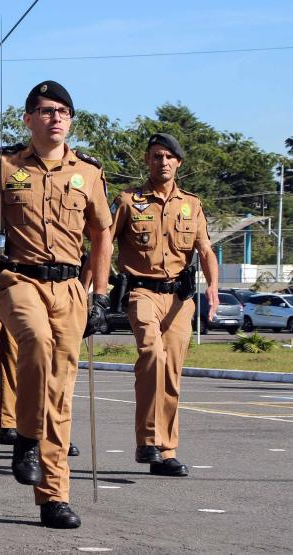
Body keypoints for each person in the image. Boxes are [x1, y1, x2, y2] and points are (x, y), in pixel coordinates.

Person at [0, 81, 112, 528]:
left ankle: (54, 495)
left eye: (64, 111)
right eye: (47, 110)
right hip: (17, 277)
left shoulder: (88, 173)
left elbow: (102, 234)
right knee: (34, 343)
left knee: (60, 391)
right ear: (28, 119)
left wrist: (101, 293)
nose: (57, 118)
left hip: (70, 286)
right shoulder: (6, 165)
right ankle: (26, 436)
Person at [110, 132, 218, 477]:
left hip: (179, 298)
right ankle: (147, 442)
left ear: (179, 163)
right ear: (147, 161)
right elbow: (103, 242)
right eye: (156, 156)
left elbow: (205, 250)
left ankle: (166, 451)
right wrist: (90, 289)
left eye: (169, 157)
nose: (163, 162)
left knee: (171, 372)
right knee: (153, 357)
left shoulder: (192, 204)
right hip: (141, 292)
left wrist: (213, 288)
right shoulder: (128, 200)